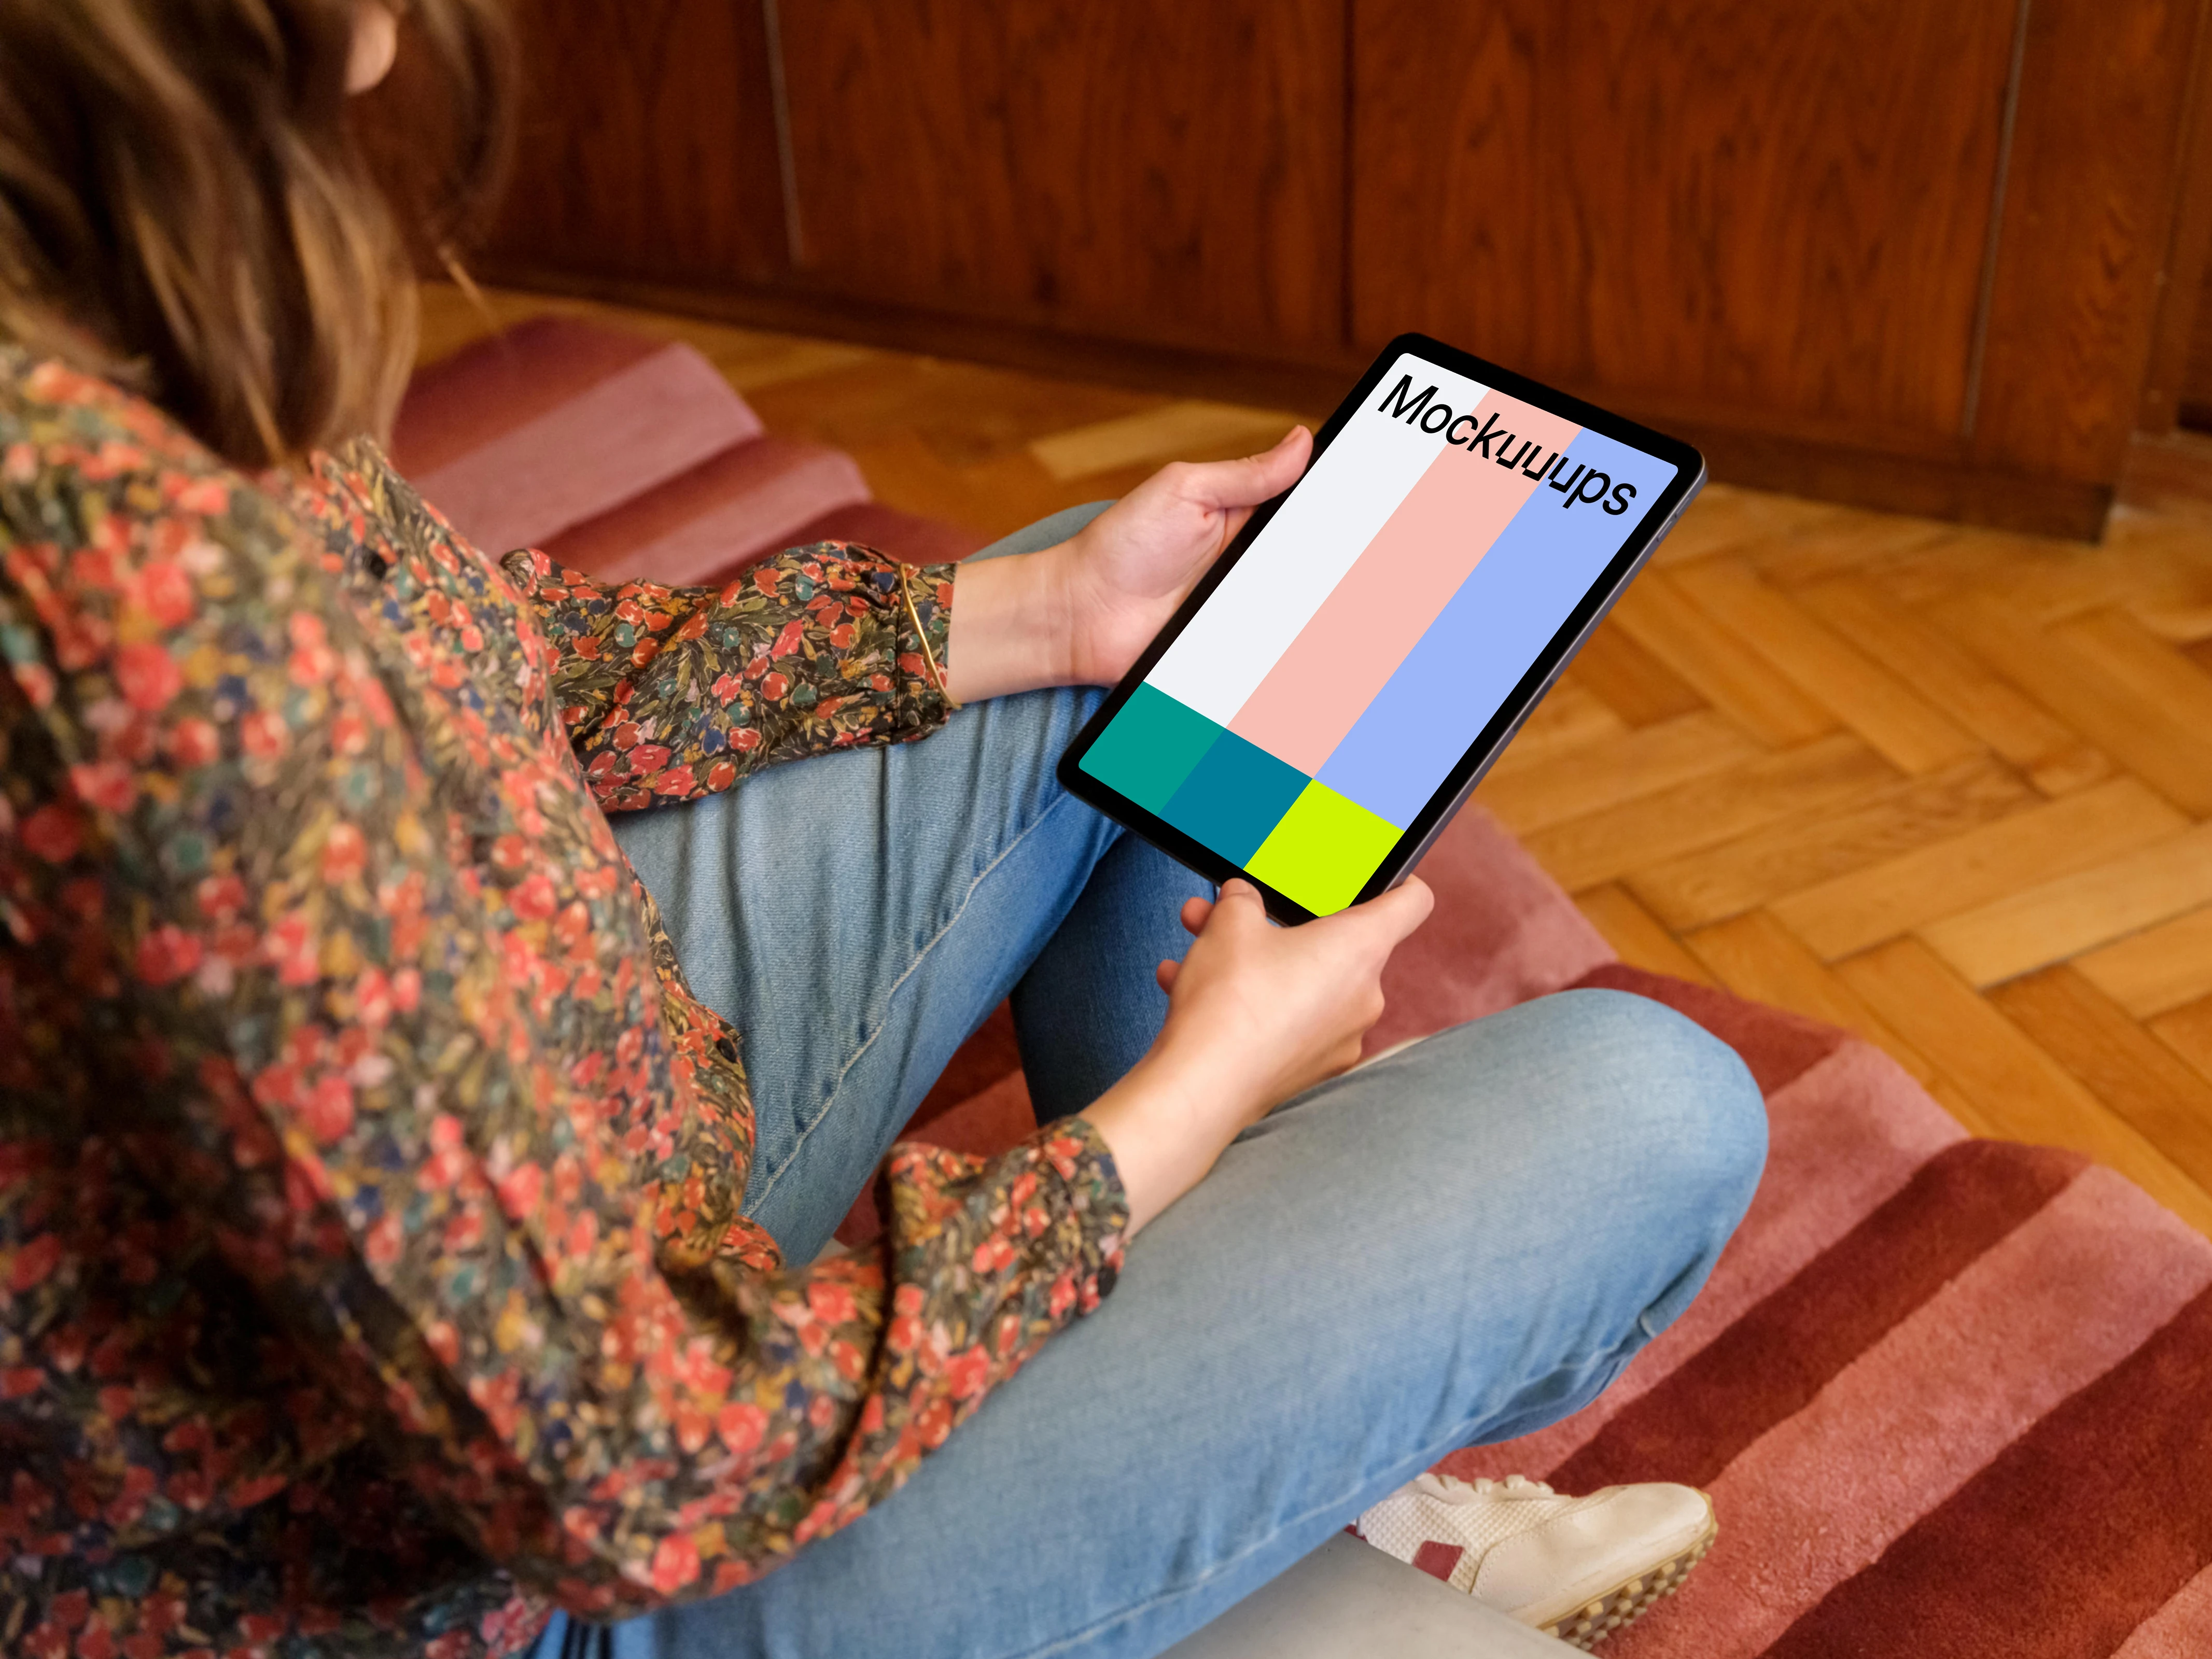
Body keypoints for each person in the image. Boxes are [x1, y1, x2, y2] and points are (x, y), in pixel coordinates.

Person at [0, 3, 1769, 1656]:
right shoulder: (134, 626)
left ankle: (1227, 1433)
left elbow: (466, 661)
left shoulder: (93, 337)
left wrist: (1031, 617)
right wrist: (1184, 1103)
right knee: (1654, 1110)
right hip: (511, 1575)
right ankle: (1249, 1465)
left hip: (592, 1166)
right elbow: (637, 1473)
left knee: (1146, 639)